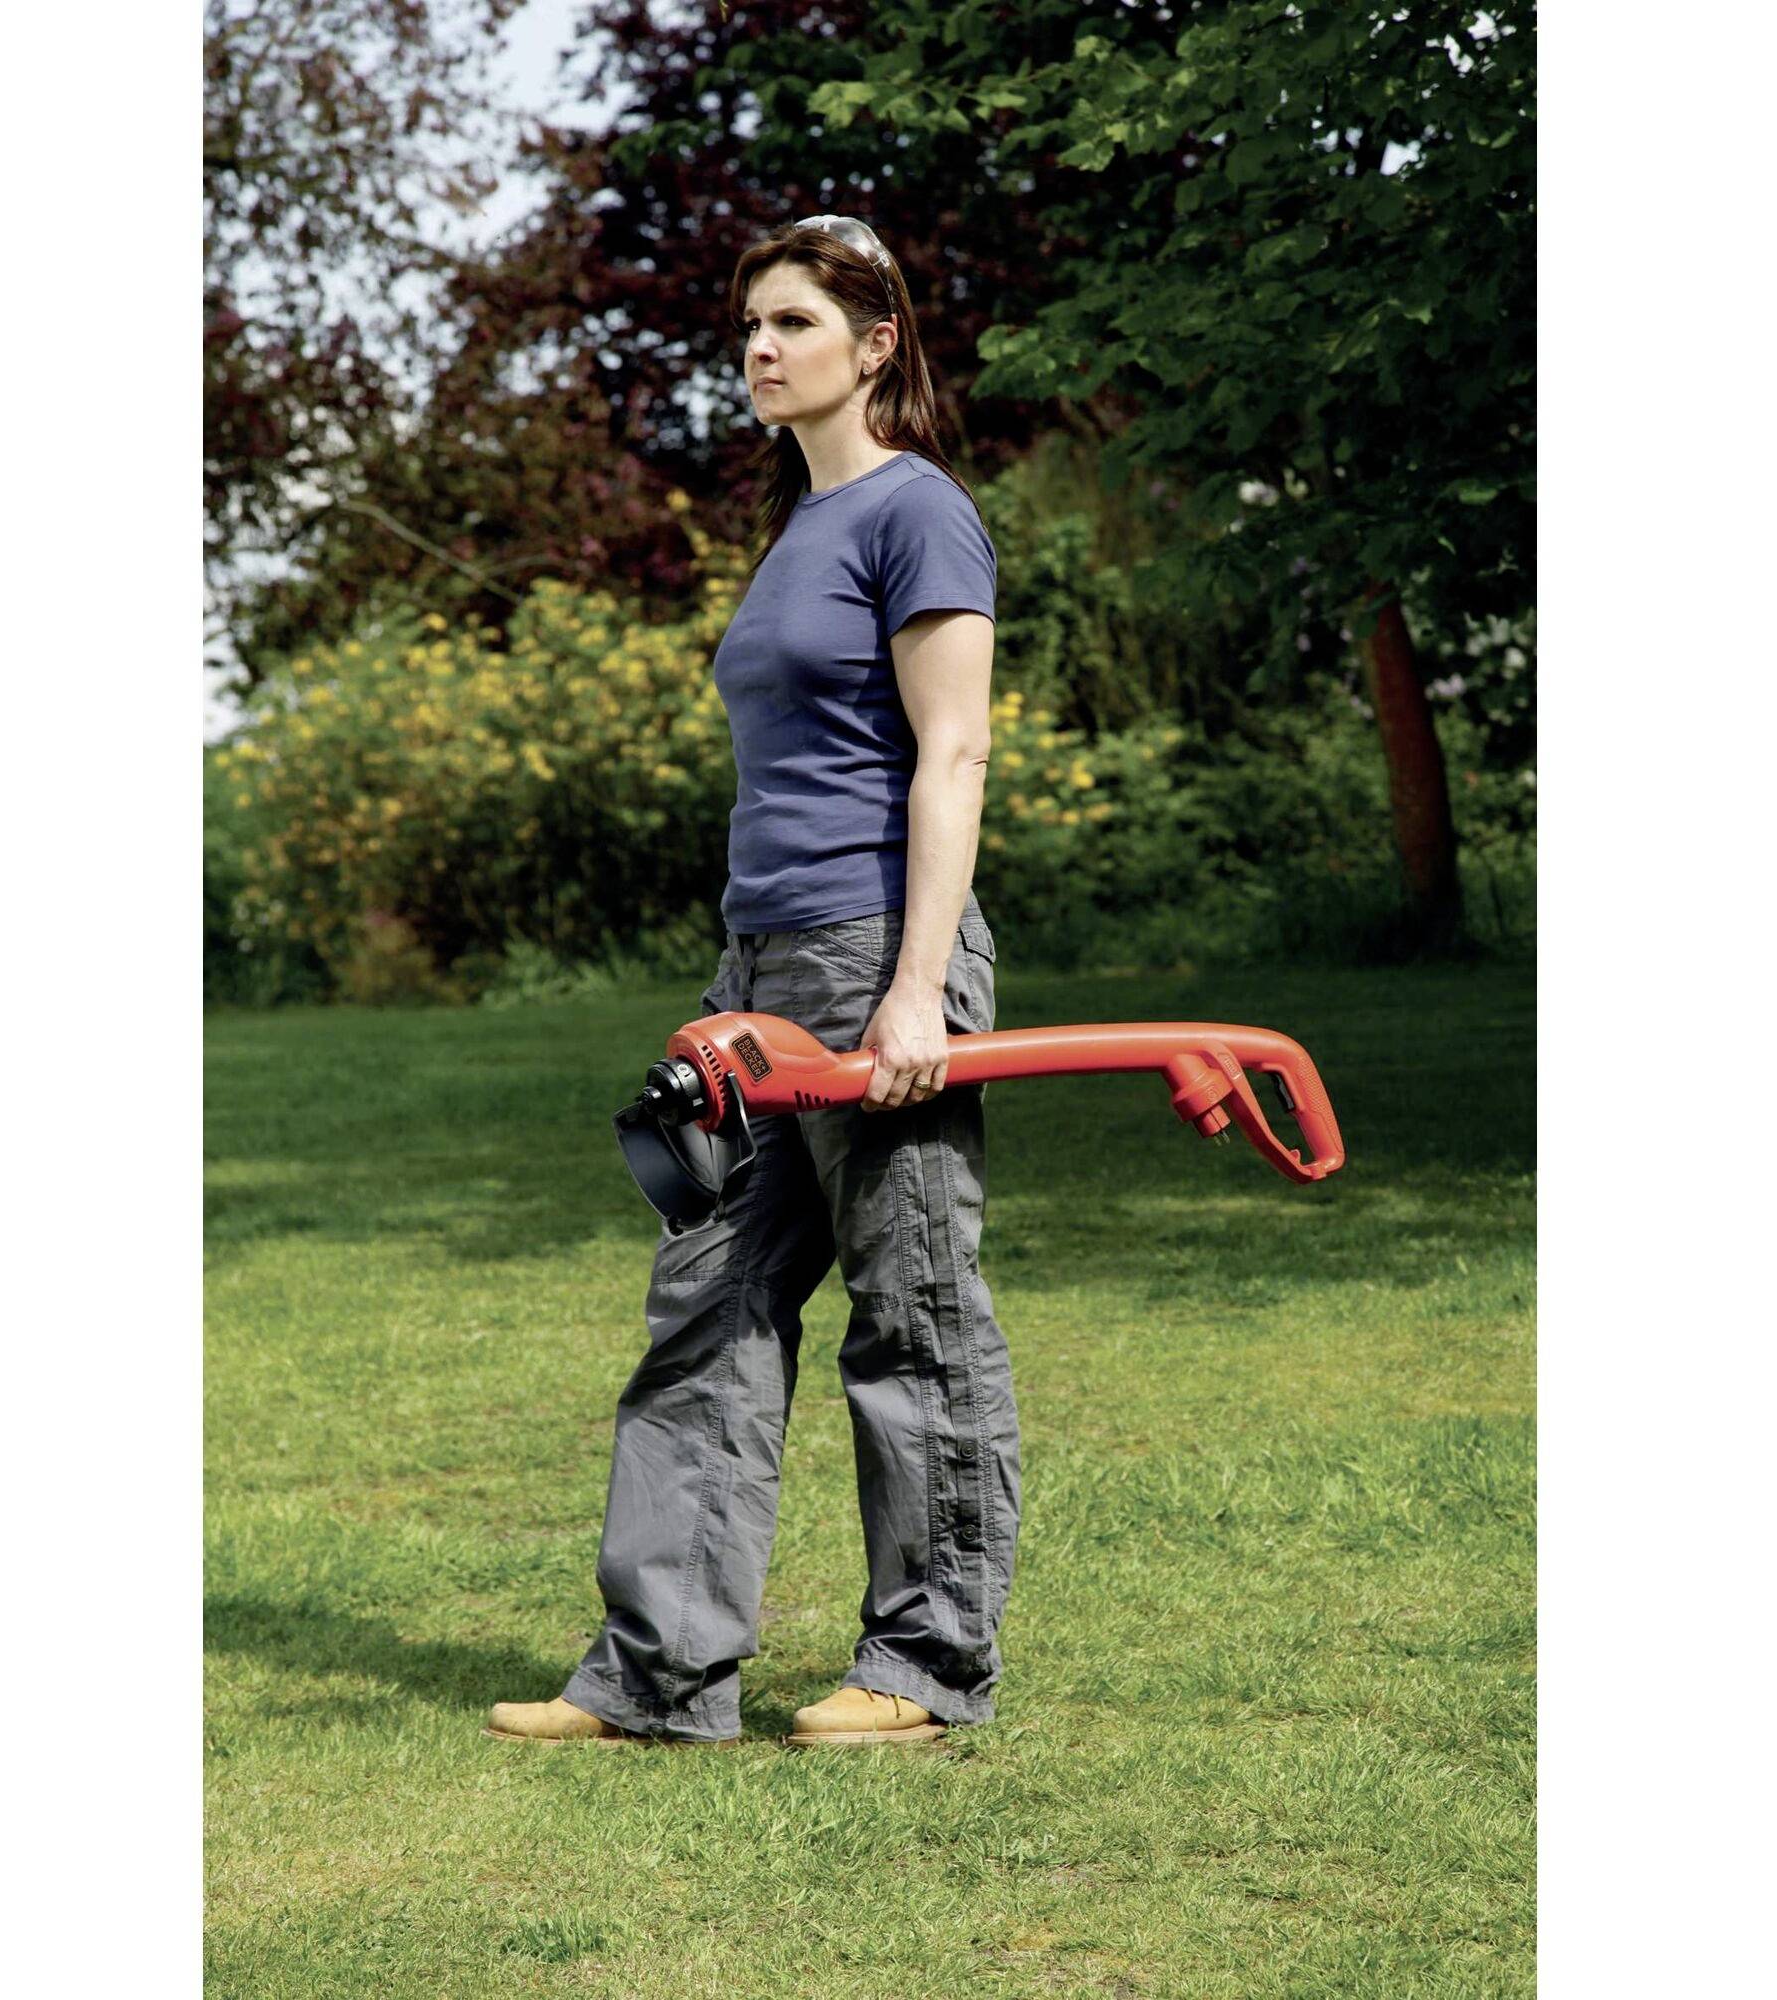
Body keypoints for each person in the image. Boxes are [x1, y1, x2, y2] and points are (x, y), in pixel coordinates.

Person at [487, 215, 1018, 1750]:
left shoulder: (921, 515)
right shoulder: (799, 525)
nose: (761, 350)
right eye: (748, 329)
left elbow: (955, 753)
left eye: (793, 322)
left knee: (911, 1310)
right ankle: (661, 1672)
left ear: (877, 344)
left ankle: (925, 1668)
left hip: (874, 952)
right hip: (761, 961)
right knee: (705, 1303)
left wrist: (918, 987)